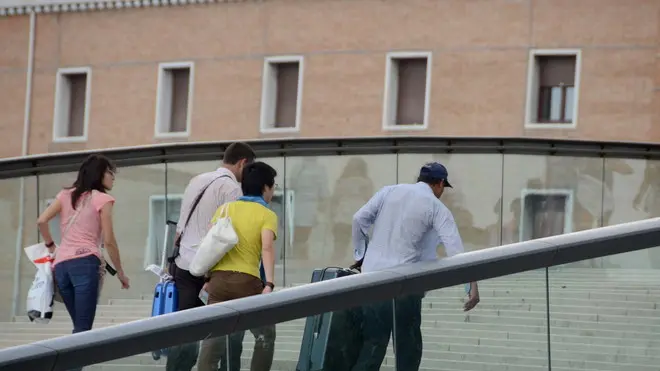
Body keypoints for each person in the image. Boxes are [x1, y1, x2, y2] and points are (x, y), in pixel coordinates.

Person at [350, 162, 480, 371]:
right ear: (439, 183)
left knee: (373, 344)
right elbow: (455, 250)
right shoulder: (437, 208)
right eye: (443, 188)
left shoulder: (389, 191)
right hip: (405, 285)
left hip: (372, 280)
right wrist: (471, 285)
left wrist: (361, 254)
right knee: (408, 349)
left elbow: (358, 219)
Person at [166, 142, 257, 371]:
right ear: (242, 163)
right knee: (224, 335)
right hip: (209, 270)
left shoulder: (196, 180)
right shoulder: (232, 189)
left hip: (183, 264)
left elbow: (181, 226)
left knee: (184, 331)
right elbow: (225, 234)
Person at [37, 154, 130, 370]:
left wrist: (51, 246)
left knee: (79, 327)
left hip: (61, 267)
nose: (113, 178)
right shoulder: (103, 200)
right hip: (85, 264)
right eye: (110, 173)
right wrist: (121, 273)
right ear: (100, 174)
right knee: (82, 331)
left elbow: (41, 220)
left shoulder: (65, 195)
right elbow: (109, 241)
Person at [197, 161, 278, 371]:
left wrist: (207, 278)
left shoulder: (225, 209)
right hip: (247, 282)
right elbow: (267, 248)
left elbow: (210, 245)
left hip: (218, 282)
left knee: (213, 337)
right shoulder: (267, 214)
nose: (273, 191)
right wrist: (268, 283)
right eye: (273, 186)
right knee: (265, 333)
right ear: (265, 187)